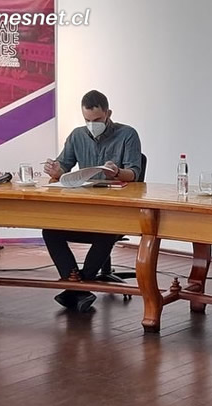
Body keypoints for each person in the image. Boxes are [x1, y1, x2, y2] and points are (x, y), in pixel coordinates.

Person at [42, 90, 142, 312]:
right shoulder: (77, 135)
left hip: (115, 212)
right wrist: (57, 170)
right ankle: (78, 287)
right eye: (87, 120)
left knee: (105, 232)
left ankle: (77, 287)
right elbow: (63, 168)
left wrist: (117, 172)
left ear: (108, 114)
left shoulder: (127, 134)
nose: (92, 125)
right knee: (50, 231)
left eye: (97, 120)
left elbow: (135, 173)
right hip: (84, 210)